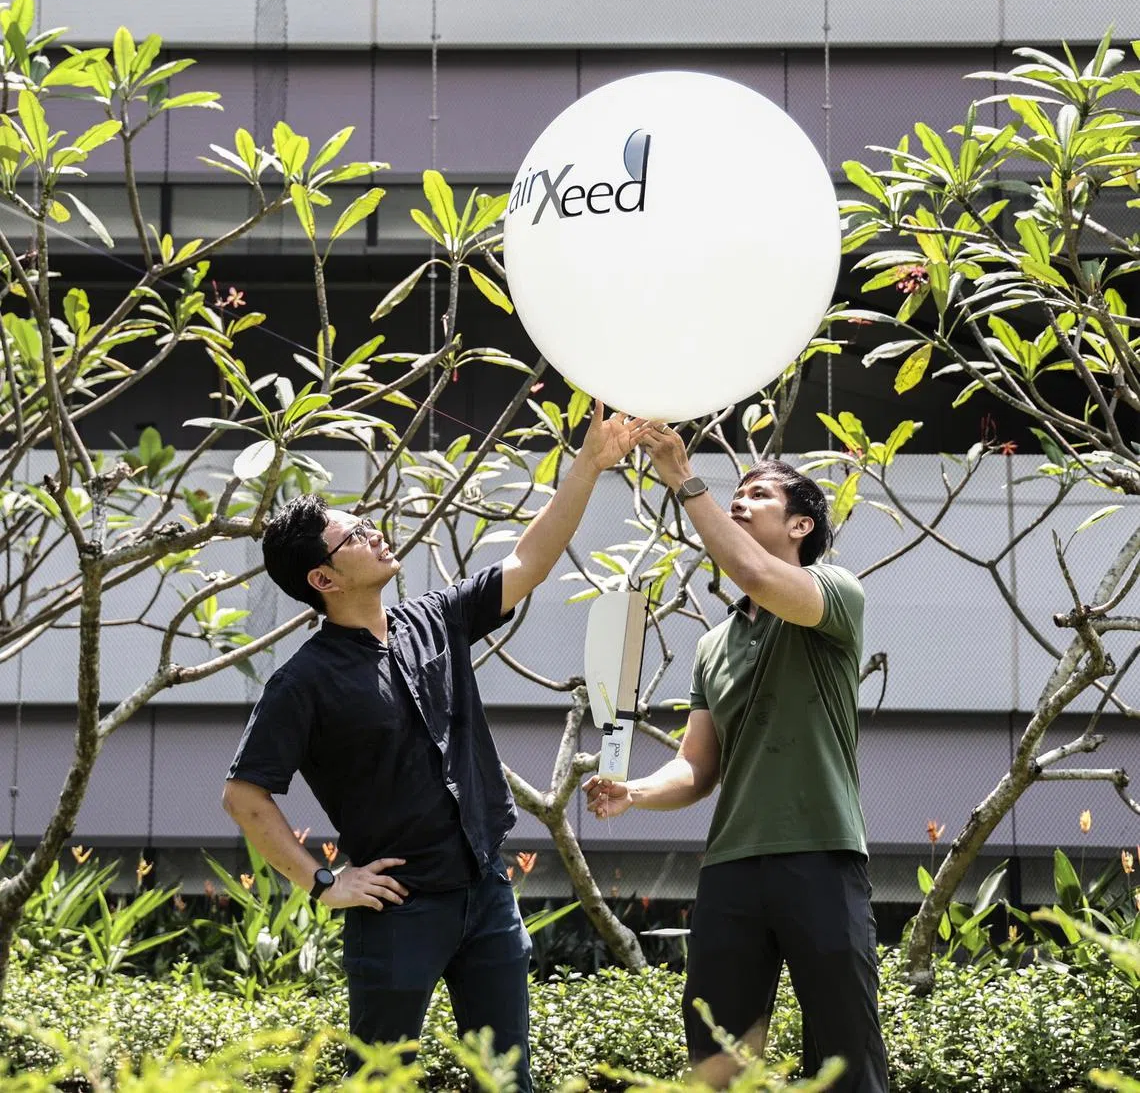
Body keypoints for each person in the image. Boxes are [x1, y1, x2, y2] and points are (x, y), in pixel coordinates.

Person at [223, 402, 647, 1088]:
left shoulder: (433, 619)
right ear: (323, 580)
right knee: (382, 1081)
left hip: (486, 891)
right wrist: (324, 884)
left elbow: (528, 560)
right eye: (355, 536)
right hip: (397, 908)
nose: (376, 535)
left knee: (506, 1080)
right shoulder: (302, 682)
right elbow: (244, 795)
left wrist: (590, 465)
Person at [583, 426, 888, 1093]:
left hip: (821, 854)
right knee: (717, 1059)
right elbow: (697, 766)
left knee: (846, 1057)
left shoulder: (835, 591)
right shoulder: (712, 645)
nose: (740, 501)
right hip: (730, 869)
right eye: (736, 494)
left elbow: (752, 573)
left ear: (801, 525)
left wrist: (682, 479)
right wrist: (636, 791)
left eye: (759, 495)